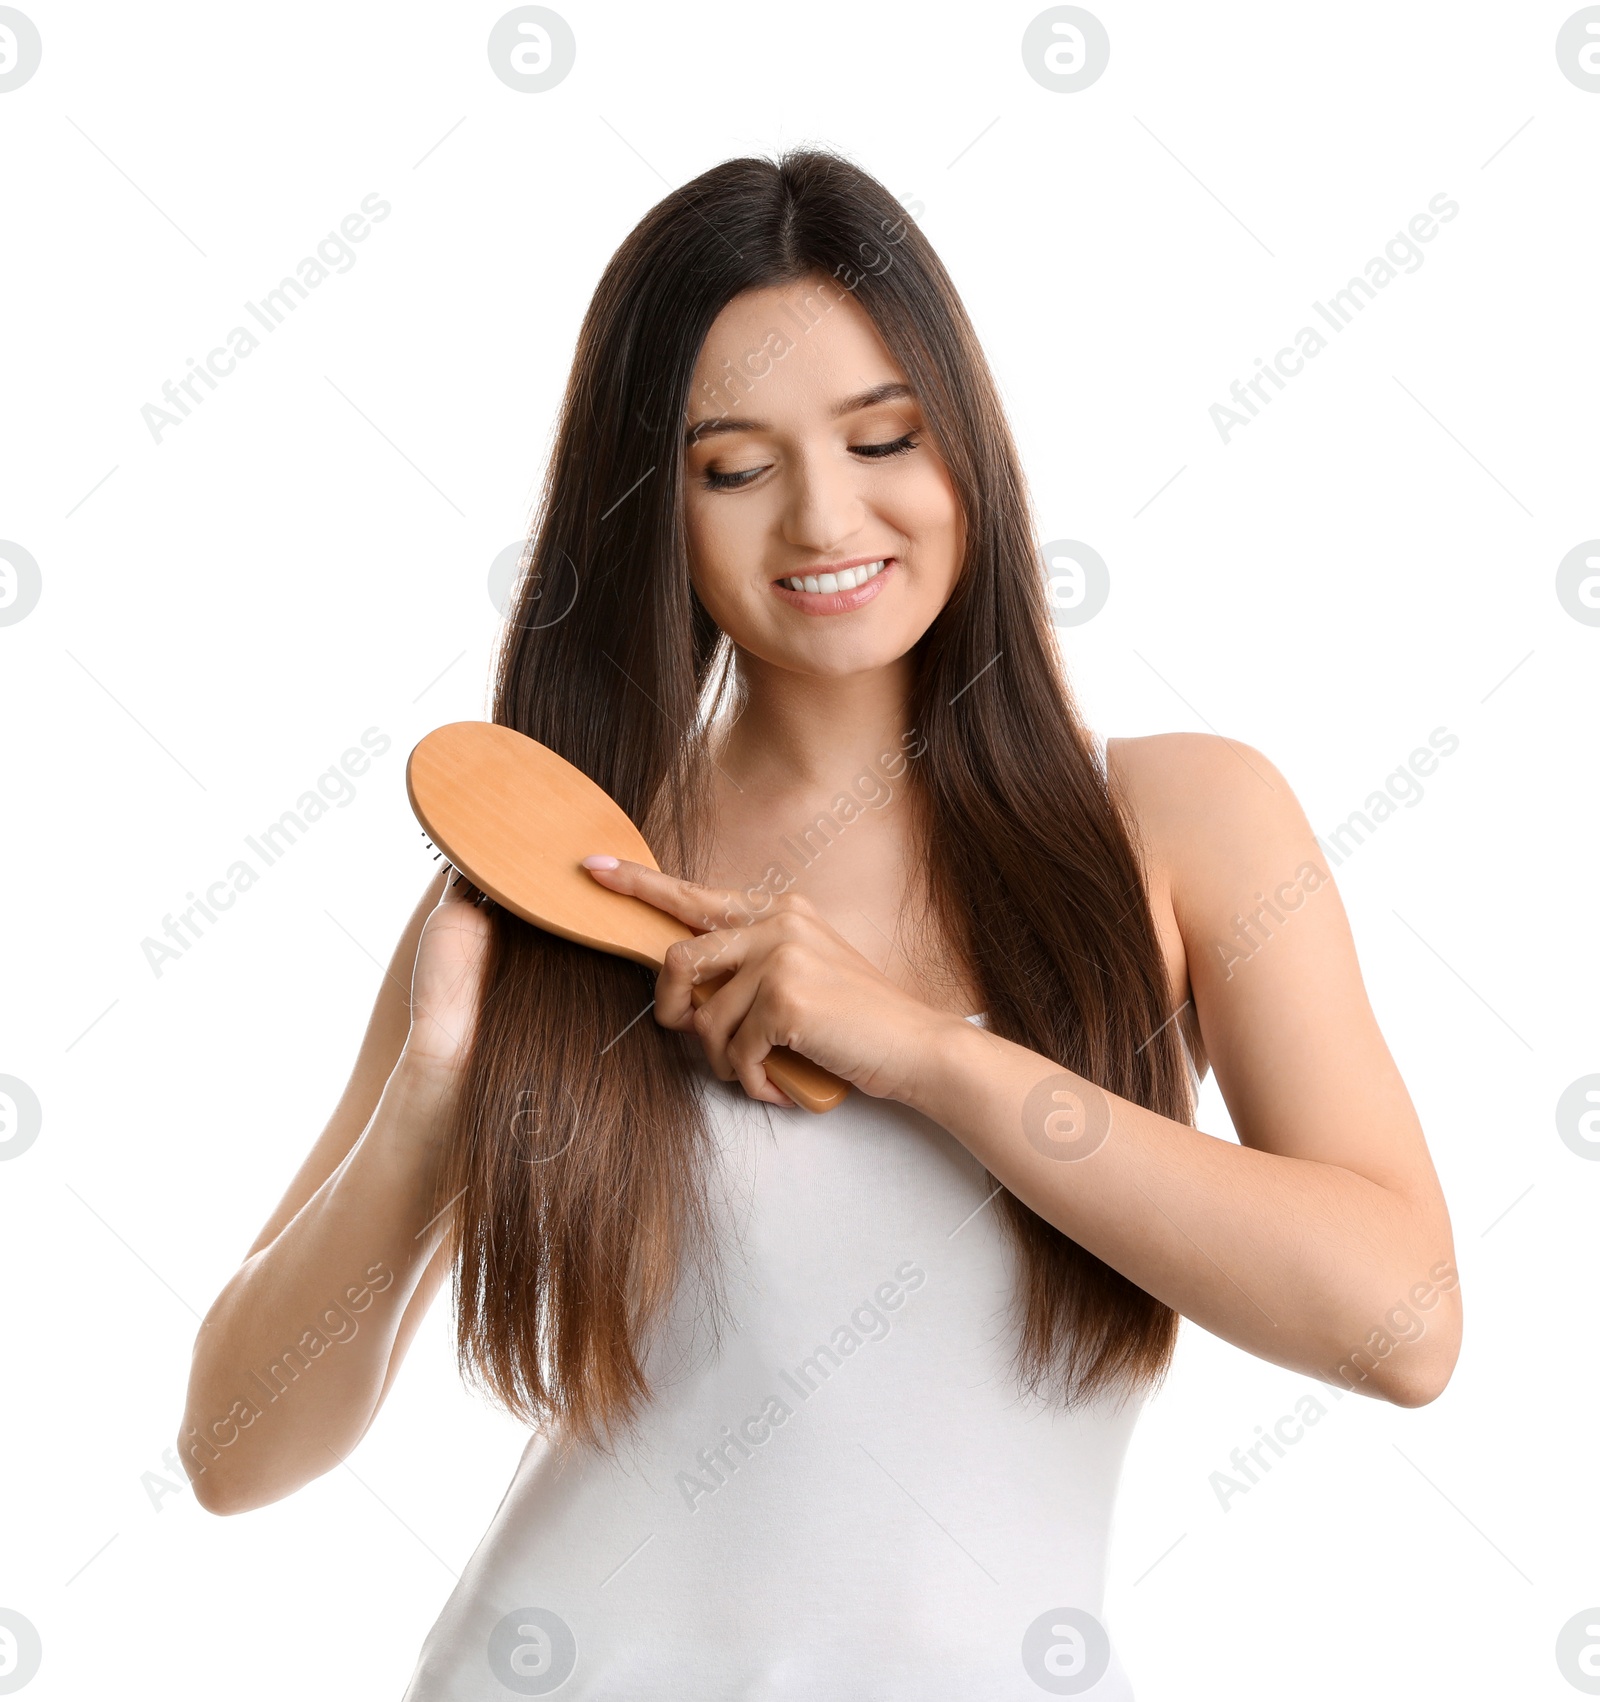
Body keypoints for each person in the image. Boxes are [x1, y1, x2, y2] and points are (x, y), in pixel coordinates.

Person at [179, 149, 1460, 1699]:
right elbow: (234, 1452)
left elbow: (1403, 1327)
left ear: (964, 446)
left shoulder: (1182, 824)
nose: (825, 515)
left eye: (883, 438)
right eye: (734, 468)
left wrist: (926, 1054)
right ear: (653, 506)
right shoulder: (568, 872)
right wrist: (433, 1093)